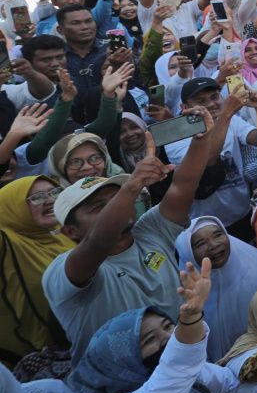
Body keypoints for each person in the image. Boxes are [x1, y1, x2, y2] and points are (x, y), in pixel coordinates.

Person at [43, 109, 214, 364]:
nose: (119, 206)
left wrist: (201, 139)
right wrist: (132, 186)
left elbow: (183, 185)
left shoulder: (150, 231)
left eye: (116, 198)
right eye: (99, 207)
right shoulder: (63, 272)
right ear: (71, 232)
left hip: (181, 364)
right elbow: (99, 241)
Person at [65, 260, 257, 393]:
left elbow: (230, 384)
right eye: (149, 340)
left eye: (168, 327)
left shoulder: (192, 372)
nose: (167, 339)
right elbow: (167, 385)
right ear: (121, 363)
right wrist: (190, 320)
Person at [173, 216, 257, 362]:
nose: (214, 245)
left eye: (218, 235)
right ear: (187, 253)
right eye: (200, 243)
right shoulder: (184, 293)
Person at [0, 176, 73, 367]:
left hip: (79, 339)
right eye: (37, 197)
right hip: (32, 359)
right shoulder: (7, 240)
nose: (50, 200)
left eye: (54, 192)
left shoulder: (65, 233)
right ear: (10, 207)